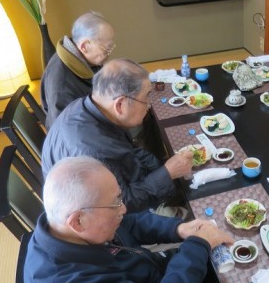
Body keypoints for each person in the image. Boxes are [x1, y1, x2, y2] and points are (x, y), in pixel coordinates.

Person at [24, 156, 234, 283]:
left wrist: (178, 228)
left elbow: (128, 223)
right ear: (78, 221)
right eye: (115, 204)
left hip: (145, 277)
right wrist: (197, 244)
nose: (123, 209)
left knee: (217, 257)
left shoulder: (64, 226)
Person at [42, 58, 193, 214]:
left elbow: (130, 151)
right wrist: (167, 173)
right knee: (197, 212)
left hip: (115, 187)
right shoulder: (94, 152)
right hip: (101, 217)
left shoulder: (88, 107)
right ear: (120, 104)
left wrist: (163, 168)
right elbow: (122, 204)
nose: (149, 105)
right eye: (146, 97)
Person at [41, 11, 115, 129]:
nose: (109, 54)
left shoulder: (77, 53)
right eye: (106, 49)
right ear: (84, 46)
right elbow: (68, 132)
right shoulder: (62, 84)